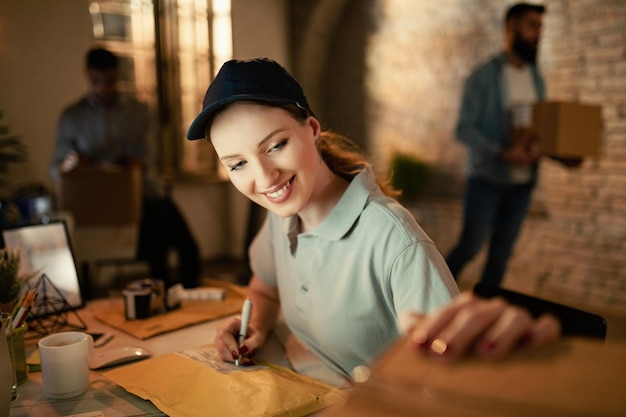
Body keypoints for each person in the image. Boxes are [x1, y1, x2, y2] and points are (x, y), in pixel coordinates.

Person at [186, 58, 561, 381]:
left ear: (312, 130)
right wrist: (255, 325)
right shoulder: (280, 215)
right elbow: (264, 288)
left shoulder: (395, 241)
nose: (265, 178)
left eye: (276, 145)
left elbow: (454, 376)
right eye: (238, 164)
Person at [50, 47, 201, 290]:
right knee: (82, 242)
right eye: (97, 81)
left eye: (109, 81)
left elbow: (153, 157)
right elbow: (56, 168)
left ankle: (186, 298)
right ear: (87, 74)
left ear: (118, 75)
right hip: (95, 205)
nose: (103, 88)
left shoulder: (139, 111)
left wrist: (137, 163)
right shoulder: (72, 117)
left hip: (143, 194)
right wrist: (73, 163)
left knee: (184, 244)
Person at [446, 3, 551, 287]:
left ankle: (482, 319)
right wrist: (502, 153)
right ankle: (429, 303)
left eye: (540, 27)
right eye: (532, 25)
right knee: (469, 247)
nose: (538, 33)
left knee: (501, 256)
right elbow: (463, 129)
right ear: (511, 26)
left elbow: (536, 130)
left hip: (522, 184)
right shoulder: (482, 77)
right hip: (486, 180)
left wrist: (560, 152)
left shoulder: (536, 78)